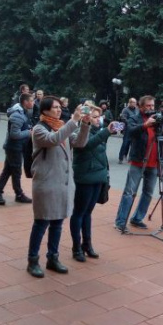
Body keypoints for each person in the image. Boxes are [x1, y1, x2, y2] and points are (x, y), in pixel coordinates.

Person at [27, 97, 89, 278]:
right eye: (54, 108)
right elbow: (54, 140)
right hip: (47, 184)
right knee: (41, 223)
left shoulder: (62, 126)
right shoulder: (40, 129)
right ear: (44, 110)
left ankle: (52, 258)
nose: (58, 110)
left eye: (59, 107)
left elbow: (79, 143)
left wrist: (85, 124)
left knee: (57, 223)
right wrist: (74, 121)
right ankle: (32, 260)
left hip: (63, 184)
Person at [70, 104, 119, 262]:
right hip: (84, 176)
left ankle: (87, 244)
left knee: (88, 213)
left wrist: (107, 132)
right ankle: (76, 247)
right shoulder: (79, 131)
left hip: (98, 176)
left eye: (99, 116)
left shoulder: (100, 131)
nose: (99, 119)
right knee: (79, 212)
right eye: (95, 116)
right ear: (86, 117)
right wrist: (106, 132)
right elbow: (86, 145)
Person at [114, 96, 158, 230]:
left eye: (152, 106)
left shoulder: (157, 119)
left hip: (154, 162)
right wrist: (145, 125)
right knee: (129, 192)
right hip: (138, 160)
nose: (151, 108)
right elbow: (130, 132)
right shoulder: (135, 117)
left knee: (148, 193)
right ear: (141, 106)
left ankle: (137, 218)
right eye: (148, 106)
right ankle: (121, 221)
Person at [0, 93, 34, 205]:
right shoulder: (17, 115)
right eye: (31, 100)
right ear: (25, 102)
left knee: (8, 170)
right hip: (14, 148)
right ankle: (18, 194)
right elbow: (14, 134)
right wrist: (29, 132)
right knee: (16, 171)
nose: (33, 102)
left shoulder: (23, 113)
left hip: (16, 147)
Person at [118, 98, 139, 164]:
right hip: (127, 129)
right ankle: (121, 158)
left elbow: (138, 117)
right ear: (129, 103)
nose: (134, 104)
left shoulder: (137, 110)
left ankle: (130, 157)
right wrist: (130, 123)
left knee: (133, 144)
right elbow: (123, 118)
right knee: (125, 143)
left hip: (135, 128)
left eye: (135, 102)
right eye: (132, 102)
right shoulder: (125, 110)